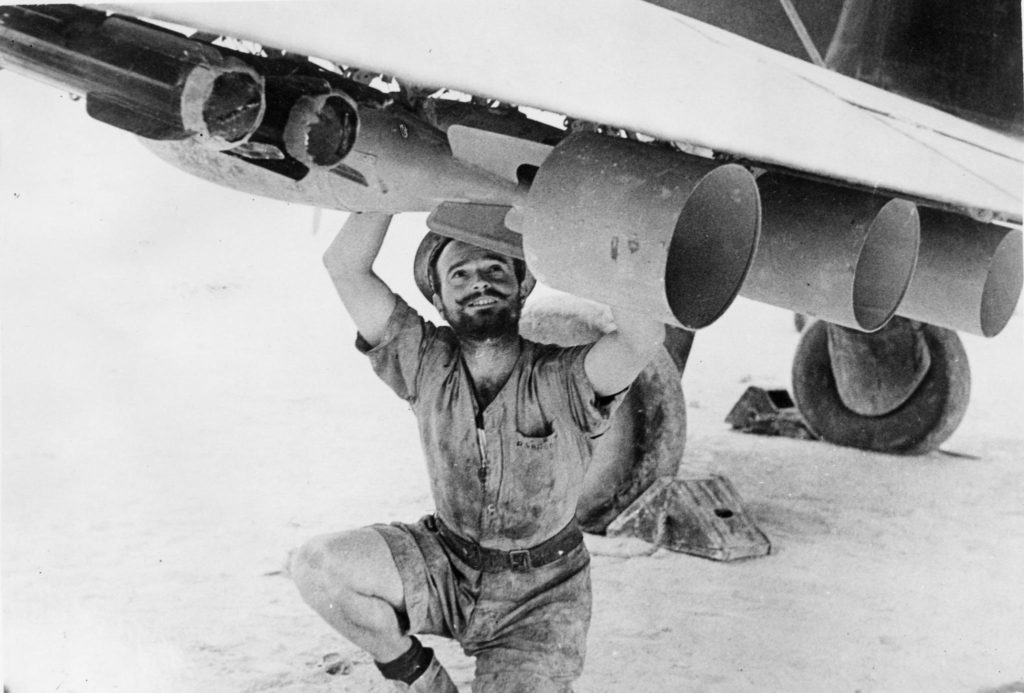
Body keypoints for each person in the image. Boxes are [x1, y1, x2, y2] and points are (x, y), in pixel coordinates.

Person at [290, 211, 664, 692]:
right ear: (440, 300)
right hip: (445, 563)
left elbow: (640, 339)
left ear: (522, 288)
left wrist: (607, 239)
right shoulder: (424, 360)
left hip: (541, 600)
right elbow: (344, 266)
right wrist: (385, 191)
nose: (479, 283)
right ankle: (422, 680)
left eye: (494, 269)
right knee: (317, 566)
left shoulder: (566, 379)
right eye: (459, 275)